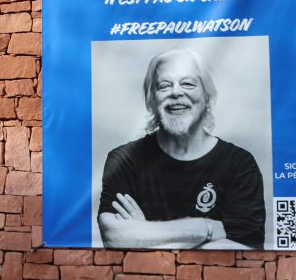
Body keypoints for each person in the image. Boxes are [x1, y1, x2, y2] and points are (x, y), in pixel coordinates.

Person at [97, 47, 265, 249]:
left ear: (207, 96)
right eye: (164, 86)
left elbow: (245, 251)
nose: (176, 92)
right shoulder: (124, 160)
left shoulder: (239, 164)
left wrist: (144, 235)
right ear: (152, 100)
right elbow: (114, 237)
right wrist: (206, 228)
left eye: (187, 83)